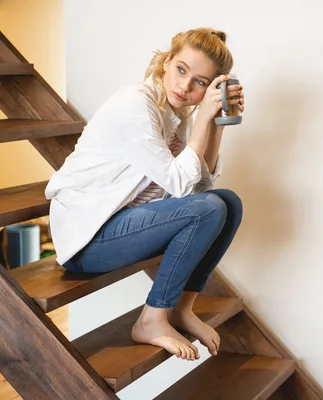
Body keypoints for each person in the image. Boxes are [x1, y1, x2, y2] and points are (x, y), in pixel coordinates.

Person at [45, 28, 245, 361]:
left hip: (123, 225)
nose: (184, 86)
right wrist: (202, 120)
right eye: (181, 69)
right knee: (209, 208)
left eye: (199, 82)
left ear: (210, 89)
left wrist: (217, 122)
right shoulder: (136, 106)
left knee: (228, 203)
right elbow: (182, 188)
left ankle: (182, 309)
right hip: (88, 239)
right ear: (166, 62)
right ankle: (152, 319)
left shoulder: (174, 114)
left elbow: (200, 187)